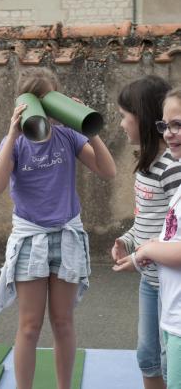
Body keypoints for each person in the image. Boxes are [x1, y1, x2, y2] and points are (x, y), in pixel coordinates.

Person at [0, 67, 116, 389]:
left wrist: (88, 128)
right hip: (31, 238)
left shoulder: (68, 136)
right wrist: (13, 134)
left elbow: (108, 170)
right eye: (37, 102)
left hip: (66, 235)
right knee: (29, 326)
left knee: (63, 323)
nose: (44, 111)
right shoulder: (13, 143)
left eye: (50, 101)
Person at [111, 75, 181, 389]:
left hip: (167, 283)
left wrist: (140, 257)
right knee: (147, 356)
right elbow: (150, 220)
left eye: (125, 117)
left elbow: (173, 231)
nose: (121, 124)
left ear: (143, 119)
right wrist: (128, 240)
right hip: (149, 282)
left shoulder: (172, 168)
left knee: (169, 361)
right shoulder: (146, 164)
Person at [133, 86, 181, 389]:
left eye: (178, 124)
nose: (169, 133)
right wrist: (140, 251)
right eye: (166, 125)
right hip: (173, 317)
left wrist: (147, 248)